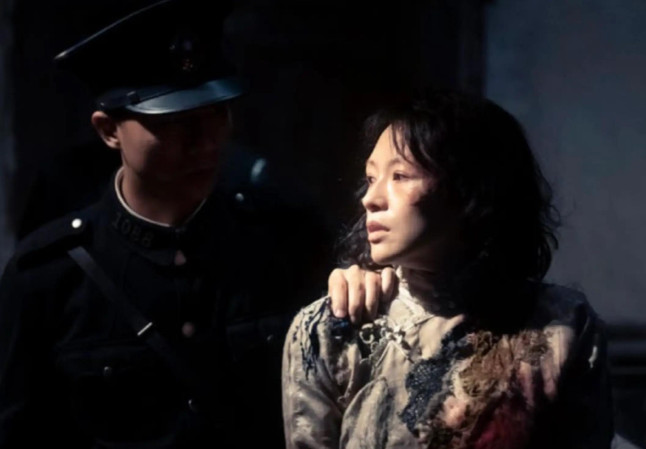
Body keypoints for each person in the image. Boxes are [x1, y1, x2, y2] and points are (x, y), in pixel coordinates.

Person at [0, 0, 388, 447]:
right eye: (174, 122)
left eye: (216, 114)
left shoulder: (286, 242)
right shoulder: (49, 276)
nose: (205, 142)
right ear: (109, 130)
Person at [282, 92, 614, 449]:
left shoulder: (562, 325)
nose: (370, 199)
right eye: (371, 177)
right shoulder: (330, 329)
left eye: (400, 176)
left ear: (469, 189)